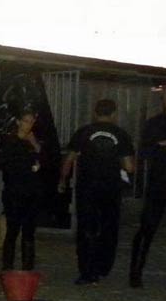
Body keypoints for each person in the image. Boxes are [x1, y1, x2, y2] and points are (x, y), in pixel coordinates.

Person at [58, 99, 135, 284]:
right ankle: (102, 267)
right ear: (114, 114)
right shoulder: (121, 134)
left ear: (95, 112)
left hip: (87, 188)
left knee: (86, 229)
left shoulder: (83, 132)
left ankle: (86, 271)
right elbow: (129, 167)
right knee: (109, 228)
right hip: (111, 189)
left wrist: (62, 180)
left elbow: (68, 160)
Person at [129, 82, 166, 287]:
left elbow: (157, 147)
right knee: (146, 228)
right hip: (158, 183)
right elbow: (146, 151)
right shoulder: (154, 123)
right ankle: (135, 274)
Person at [0, 105, 53, 271]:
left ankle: (27, 268)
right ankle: (7, 267)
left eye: (31, 122)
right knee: (12, 230)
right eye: (26, 121)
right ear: (18, 122)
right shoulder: (9, 140)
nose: (28, 125)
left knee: (29, 232)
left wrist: (34, 144)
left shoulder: (34, 140)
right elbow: (8, 165)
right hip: (14, 192)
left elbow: (45, 161)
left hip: (32, 192)